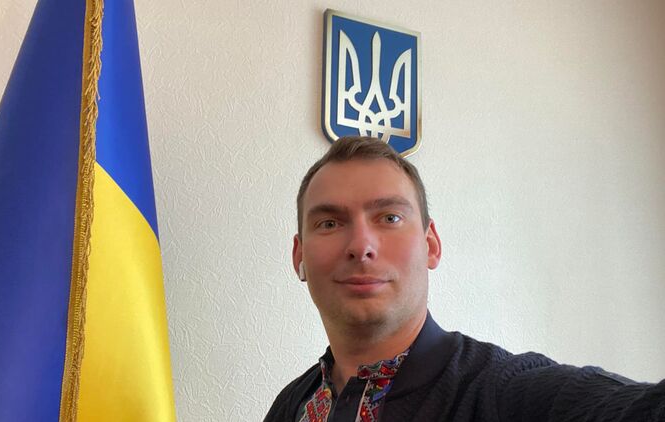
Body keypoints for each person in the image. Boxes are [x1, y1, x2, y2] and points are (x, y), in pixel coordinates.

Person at [264, 136, 665, 421]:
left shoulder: (505, 392)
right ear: (299, 257)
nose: (361, 245)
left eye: (389, 217)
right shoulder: (290, 405)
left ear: (431, 245)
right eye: (330, 223)